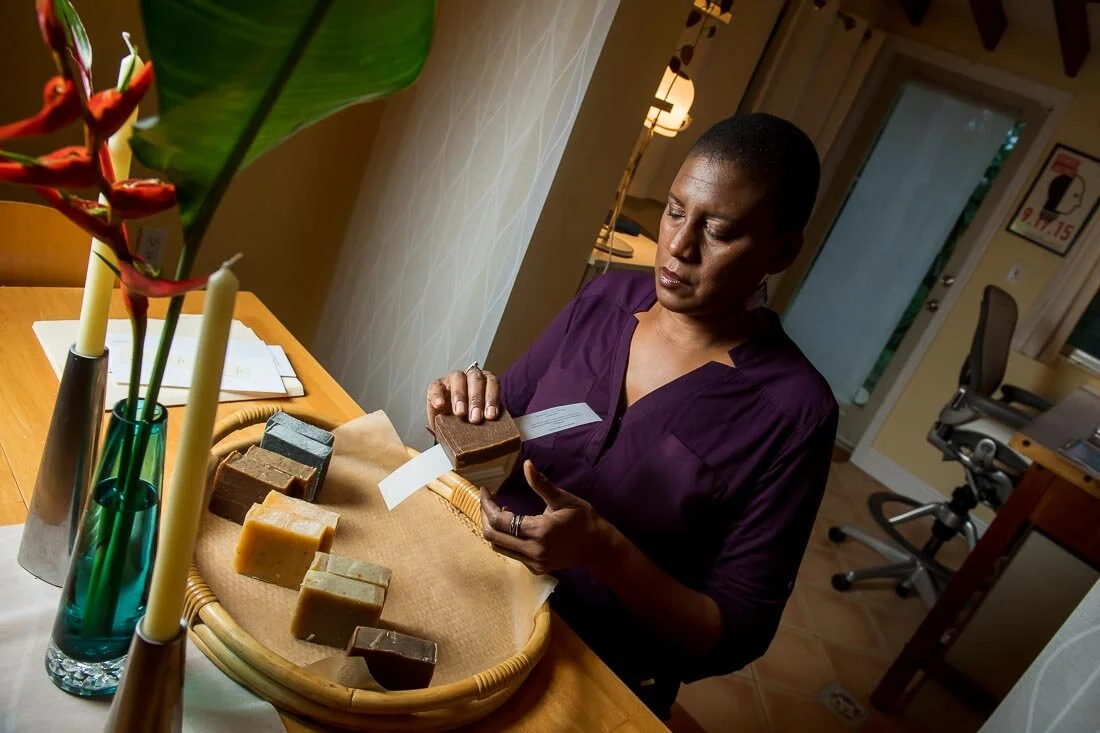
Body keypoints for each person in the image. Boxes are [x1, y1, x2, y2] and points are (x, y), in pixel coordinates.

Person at [424, 113, 838, 719]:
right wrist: (460, 411)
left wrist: (602, 550)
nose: (680, 246)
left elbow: (731, 635)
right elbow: (495, 432)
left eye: (719, 231)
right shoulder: (603, 301)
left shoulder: (794, 413)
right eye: (675, 211)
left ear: (783, 250)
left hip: (588, 671)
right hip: (467, 591)